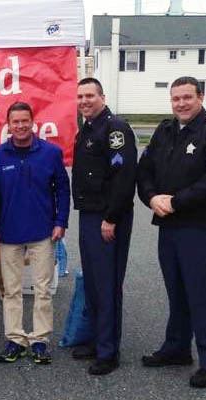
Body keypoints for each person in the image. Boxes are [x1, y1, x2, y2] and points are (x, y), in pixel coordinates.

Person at [137, 76, 206, 388]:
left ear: (200, 96)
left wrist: (177, 202)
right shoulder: (165, 131)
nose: (180, 103)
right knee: (177, 291)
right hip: (169, 225)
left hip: (202, 227)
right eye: (175, 98)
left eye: (186, 97)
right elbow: (145, 170)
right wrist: (152, 197)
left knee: (205, 294)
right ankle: (177, 348)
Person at [0, 102, 70, 364]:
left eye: (25, 121)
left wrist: (60, 221)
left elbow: (62, 191)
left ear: (33, 123)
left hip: (42, 231)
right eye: (15, 122)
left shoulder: (51, 153)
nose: (20, 126)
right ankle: (15, 339)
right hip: (9, 232)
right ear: (8, 125)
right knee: (11, 290)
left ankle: (40, 340)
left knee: (43, 289)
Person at [71, 77, 137, 375]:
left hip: (108, 218)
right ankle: (98, 341)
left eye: (90, 96)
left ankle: (109, 352)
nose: (84, 101)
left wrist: (111, 217)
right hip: (89, 214)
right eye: (80, 96)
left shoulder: (115, 129)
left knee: (107, 284)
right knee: (96, 284)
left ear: (102, 96)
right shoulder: (88, 127)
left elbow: (124, 179)